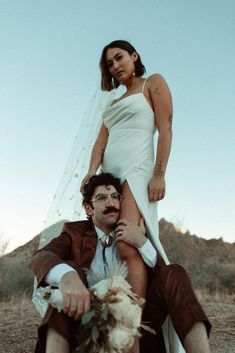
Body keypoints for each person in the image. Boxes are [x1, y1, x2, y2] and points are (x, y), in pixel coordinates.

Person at [29, 172, 211, 353]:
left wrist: (143, 242)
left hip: (136, 332)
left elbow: (163, 280)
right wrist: (67, 277)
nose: (111, 203)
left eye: (115, 197)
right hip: (86, 331)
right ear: (88, 209)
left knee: (174, 272)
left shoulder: (135, 232)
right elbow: (41, 256)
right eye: (101, 198)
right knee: (66, 277)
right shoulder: (73, 232)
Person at [80, 40, 173, 303]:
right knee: (113, 247)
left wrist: (159, 174)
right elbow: (101, 143)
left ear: (134, 56)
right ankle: (120, 313)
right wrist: (91, 171)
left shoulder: (151, 83)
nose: (115, 66)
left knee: (126, 241)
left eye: (119, 58)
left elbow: (165, 126)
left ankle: (132, 323)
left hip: (138, 170)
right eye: (110, 64)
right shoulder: (112, 103)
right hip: (112, 177)